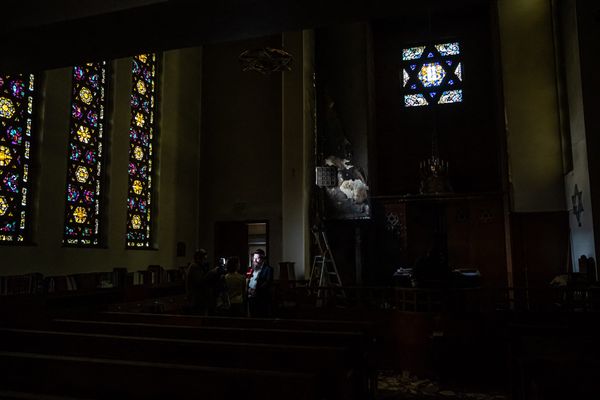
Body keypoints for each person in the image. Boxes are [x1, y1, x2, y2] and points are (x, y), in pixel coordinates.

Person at [247, 249, 273, 317]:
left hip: (261, 298)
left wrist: (256, 290)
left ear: (263, 259)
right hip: (250, 297)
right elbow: (248, 280)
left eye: (257, 258)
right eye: (254, 258)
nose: (254, 260)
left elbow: (268, 282)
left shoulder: (268, 269)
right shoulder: (250, 269)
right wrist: (248, 289)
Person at [185, 249, 210, 315]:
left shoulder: (196, 267)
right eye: (204, 259)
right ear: (199, 258)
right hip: (196, 300)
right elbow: (200, 282)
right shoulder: (195, 267)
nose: (205, 261)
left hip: (197, 300)